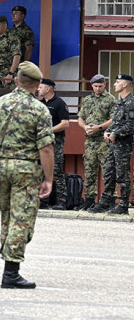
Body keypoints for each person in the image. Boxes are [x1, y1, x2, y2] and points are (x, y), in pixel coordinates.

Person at [0, 62, 54, 289]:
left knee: (7, 215)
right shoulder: (39, 109)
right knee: (21, 219)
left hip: (2, 166)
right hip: (26, 169)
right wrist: (49, 178)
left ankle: (8, 262)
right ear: (37, 84)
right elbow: (46, 148)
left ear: (17, 80)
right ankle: (11, 272)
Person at [93, 73, 134, 215]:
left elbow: (131, 124)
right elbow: (115, 121)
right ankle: (105, 202)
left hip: (123, 144)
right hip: (113, 144)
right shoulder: (120, 102)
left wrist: (116, 134)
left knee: (123, 174)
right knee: (109, 172)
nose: (115, 84)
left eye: (117, 82)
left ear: (125, 84)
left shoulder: (131, 102)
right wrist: (108, 131)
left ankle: (123, 204)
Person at [78, 74, 116, 211]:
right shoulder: (87, 100)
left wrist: (98, 128)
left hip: (104, 140)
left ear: (105, 85)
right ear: (92, 86)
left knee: (108, 171)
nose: (97, 88)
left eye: (100, 86)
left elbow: (113, 119)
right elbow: (80, 118)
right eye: (95, 86)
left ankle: (110, 200)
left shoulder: (110, 99)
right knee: (89, 171)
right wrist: (85, 127)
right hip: (90, 141)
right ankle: (89, 200)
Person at [37, 78, 70, 210]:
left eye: (40, 87)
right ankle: (43, 200)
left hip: (55, 142)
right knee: (40, 169)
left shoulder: (59, 103)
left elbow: (65, 123)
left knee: (56, 169)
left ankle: (61, 201)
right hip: (40, 142)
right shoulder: (39, 103)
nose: (38, 89)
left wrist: (49, 130)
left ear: (48, 88)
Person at [0, 15, 21, 85]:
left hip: (8, 71)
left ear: (5, 25)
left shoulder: (12, 37)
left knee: (9, 94)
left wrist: (11, 73)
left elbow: (17, 56)